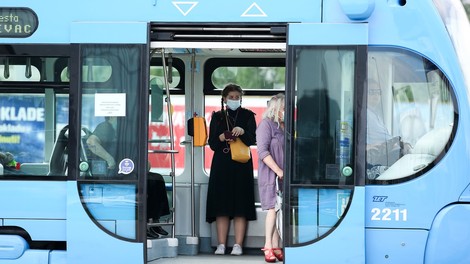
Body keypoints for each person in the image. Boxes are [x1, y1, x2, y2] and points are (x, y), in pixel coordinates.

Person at [206, 83, 257, 256]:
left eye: (237, 97)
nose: (234, 100)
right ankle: (221, 244)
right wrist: (221, 137)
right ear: (224, 99)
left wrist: (242, 131)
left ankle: (238, 245)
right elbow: (212, 144)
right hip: (221, 163)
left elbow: (252, 140)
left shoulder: (248, 115)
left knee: (240, 205)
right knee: (222, 205)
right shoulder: (218, 116)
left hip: (241, 163)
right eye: (231, 97)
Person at [256, 93, 285, 263]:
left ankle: (276, 245)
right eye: (283, 108)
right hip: (271, 175)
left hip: (282, 175)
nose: (286, 111)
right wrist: (278, 170)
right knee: (272, 209)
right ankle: (268, 245)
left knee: (279, 209)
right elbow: (262, 152)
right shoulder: (265, 125)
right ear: (276, 108)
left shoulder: (283, 126)